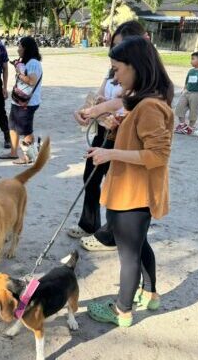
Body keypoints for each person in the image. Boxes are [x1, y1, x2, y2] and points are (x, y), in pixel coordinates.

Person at [85, 36, 174, 327]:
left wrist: (109, 151)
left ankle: (122, 310)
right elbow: (142, 138)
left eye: (117, 68)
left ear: (136, 67)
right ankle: (150, 293)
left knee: (128, 255)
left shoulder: (149, 106)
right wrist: (120, 125)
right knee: (138, 245)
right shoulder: (146, 102)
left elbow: (157, 154)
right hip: (134, 192)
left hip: (133, 195)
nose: (114, 75)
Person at [68, 21, 147, 250]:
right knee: (91, 176)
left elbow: (126, 103)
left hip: (125, 136)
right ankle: (89, 223)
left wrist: (103, 110)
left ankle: (111, 235)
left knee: (116, 184)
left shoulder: (143, 74)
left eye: (120, 47)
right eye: (114, 46)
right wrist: (90, 110)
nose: (116, 54)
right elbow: (102, 96)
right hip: (105, 129)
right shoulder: (114, 69)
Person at [0, 36, 42, 165]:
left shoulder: (33, 63)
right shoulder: (27, 62)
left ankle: (29, 156)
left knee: (26, 130)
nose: (18, 49)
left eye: (20, 46)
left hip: (27, 103)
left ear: (26, 48)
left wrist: (18, 73)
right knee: (12, 126)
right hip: (19, 100)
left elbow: (31, 81)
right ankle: (13, 152)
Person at [174, 51, 198, 135]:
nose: (190, 61)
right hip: (187, 92)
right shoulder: (191, 71)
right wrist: (184, 89)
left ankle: (190, 127)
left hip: (197, 94)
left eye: (192, 59)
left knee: (193, 111)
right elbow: (187, 82)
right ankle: (182, 125)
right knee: (179, 108)